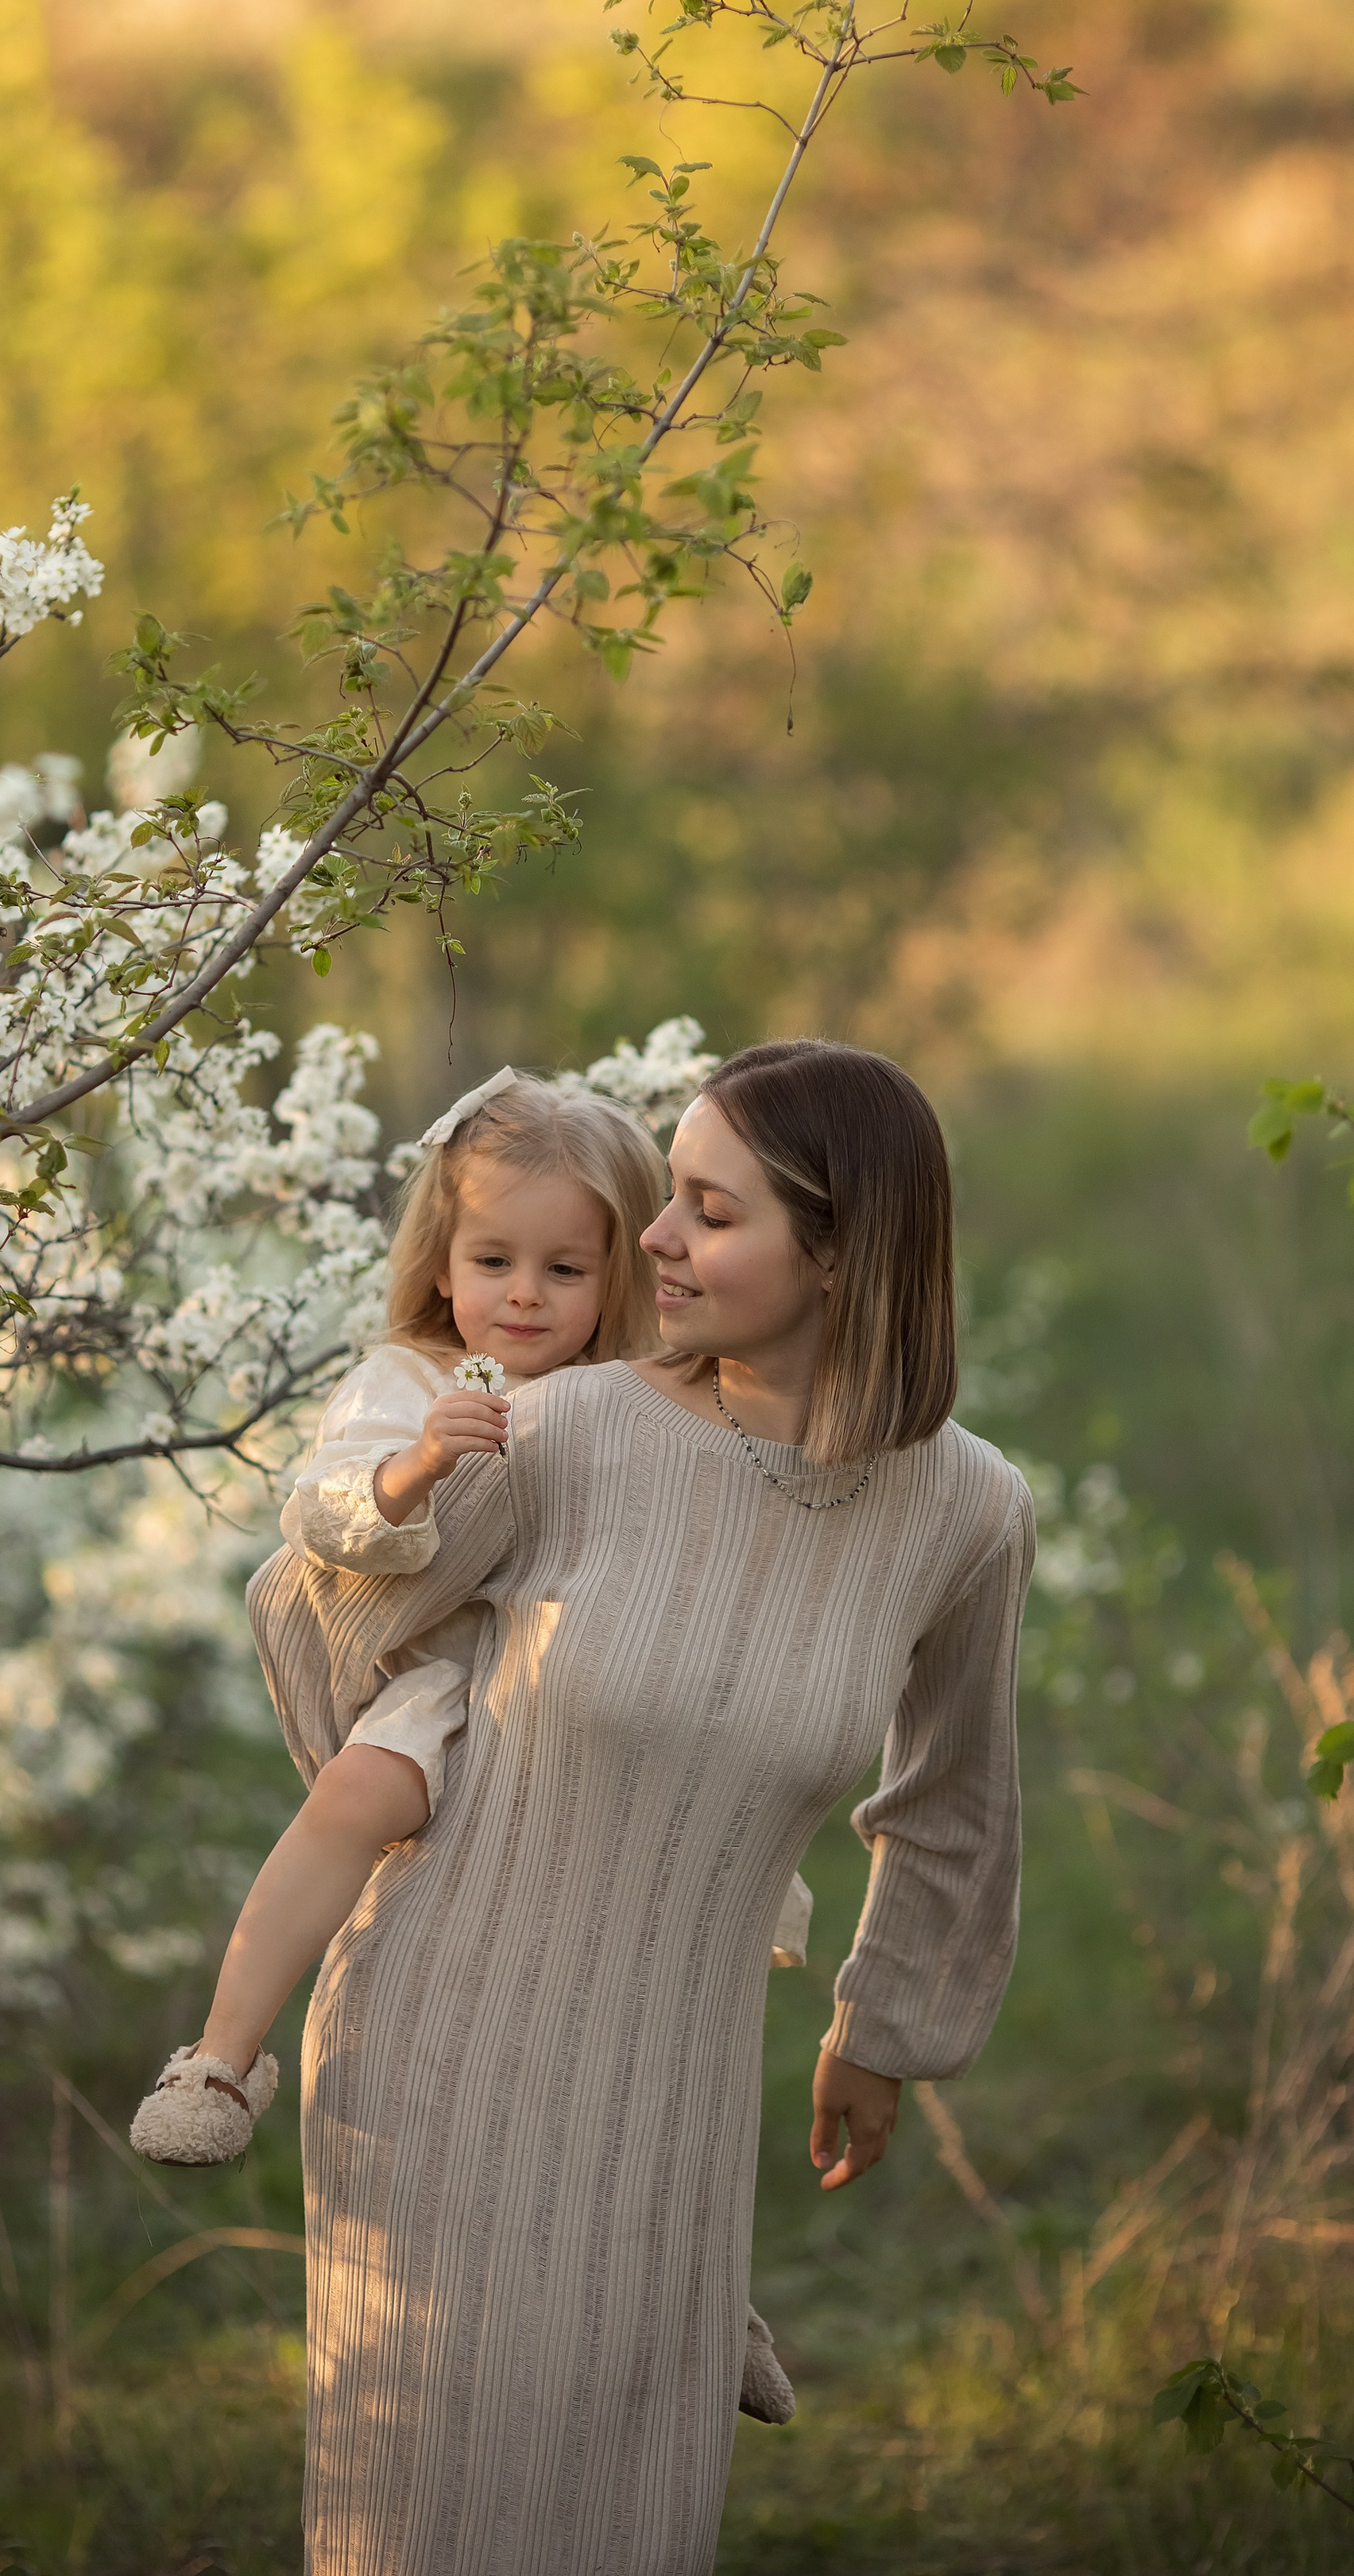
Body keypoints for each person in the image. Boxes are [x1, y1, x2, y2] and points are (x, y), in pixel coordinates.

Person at [252, 1036, 1037, 2576]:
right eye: (663, 1201)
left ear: (838, 1255)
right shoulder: (566, 1434)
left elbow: (953, 1801)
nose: (650, 1243)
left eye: (705, 1211)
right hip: (438, 2056)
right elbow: (310, 1616)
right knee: (426, 2529)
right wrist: (409, 1741)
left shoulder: (963, 1512)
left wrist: (877, 2032)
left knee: (629, 2521)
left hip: (672, 2103)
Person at [130, 1069, 668, 2161]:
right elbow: (320, 1509)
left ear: (619, 1279)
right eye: (493, 1262)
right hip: (446, 1676)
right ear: (439, 1258)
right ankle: (223, 2057)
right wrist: (417, 1466)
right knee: (360, 1787)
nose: (523, 1295)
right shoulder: (411, 1379)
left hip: (584, 1670)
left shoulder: (630, 1399)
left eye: (564, 1269)